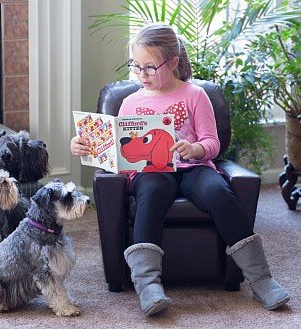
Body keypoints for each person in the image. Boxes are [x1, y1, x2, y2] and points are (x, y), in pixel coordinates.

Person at [70, 23, 290, 316]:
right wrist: (88, 147)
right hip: (150, 172)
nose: (142, 74)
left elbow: (213, 143)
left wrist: (195, 149)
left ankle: (262, 279)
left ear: (173, 62)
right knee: (152, 193)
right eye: (136, 66)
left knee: (218, 193)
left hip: (194, 167)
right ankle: (148, 285)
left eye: (150, 67)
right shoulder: (130, 102)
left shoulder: (195, 95)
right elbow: (120, 155)